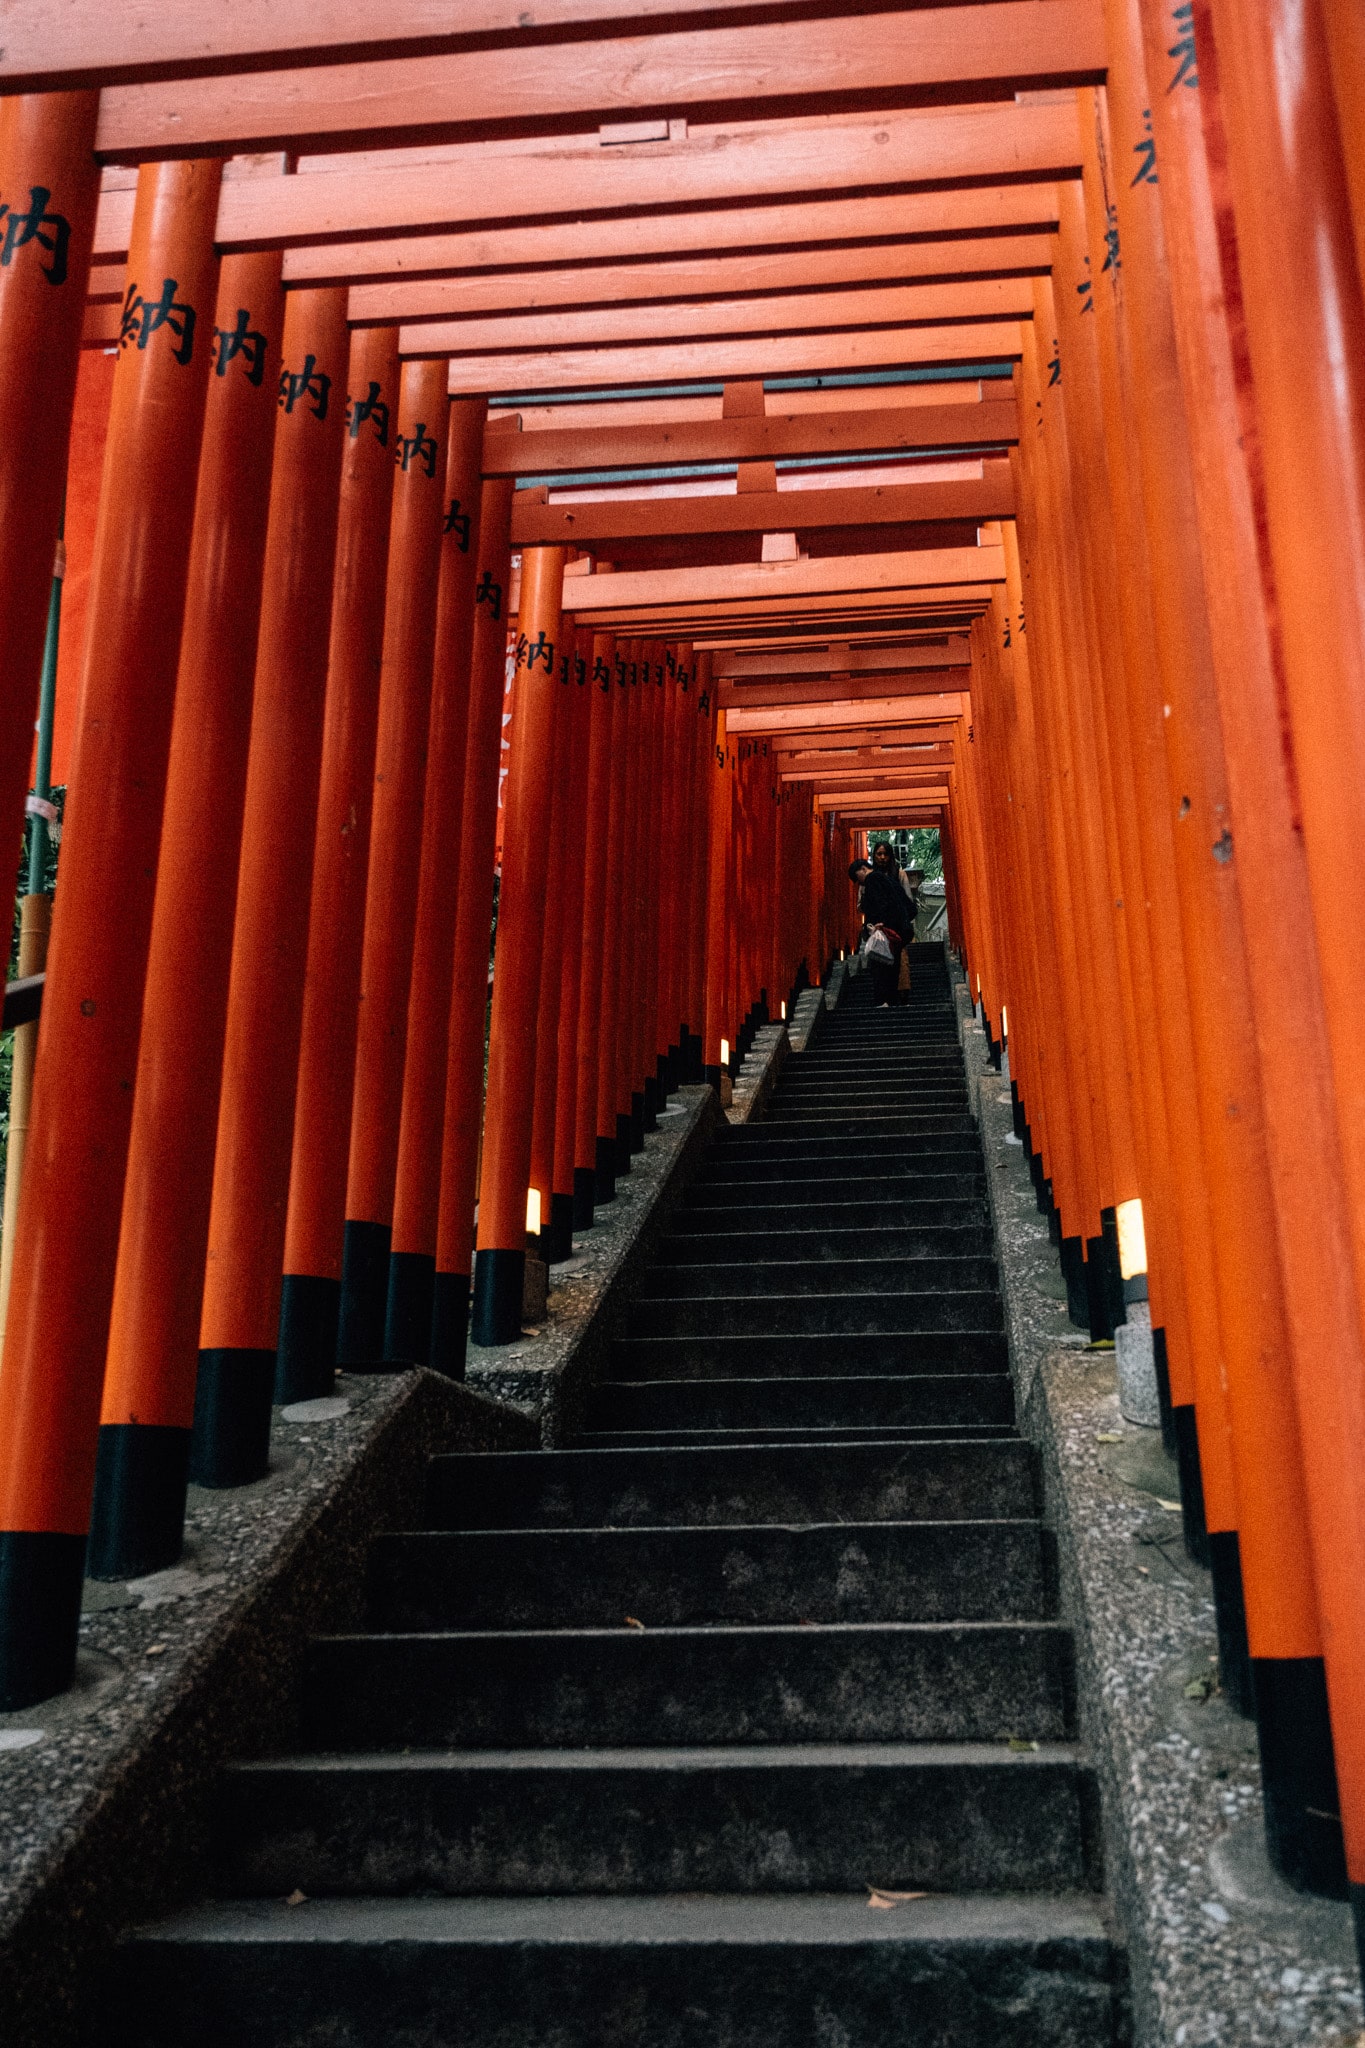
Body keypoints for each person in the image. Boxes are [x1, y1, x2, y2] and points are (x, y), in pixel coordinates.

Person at [853, 840, 914, 1007]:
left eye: (885, 854)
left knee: (894, 963)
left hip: (892, 929)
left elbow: (906, 899)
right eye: (878, 854)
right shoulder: (868, 879)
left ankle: (896, 997)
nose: (882, 857)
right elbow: (861, 904)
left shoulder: (898, 874)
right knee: (884, 963)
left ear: (890, 856)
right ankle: (891, 998)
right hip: (885, 928)